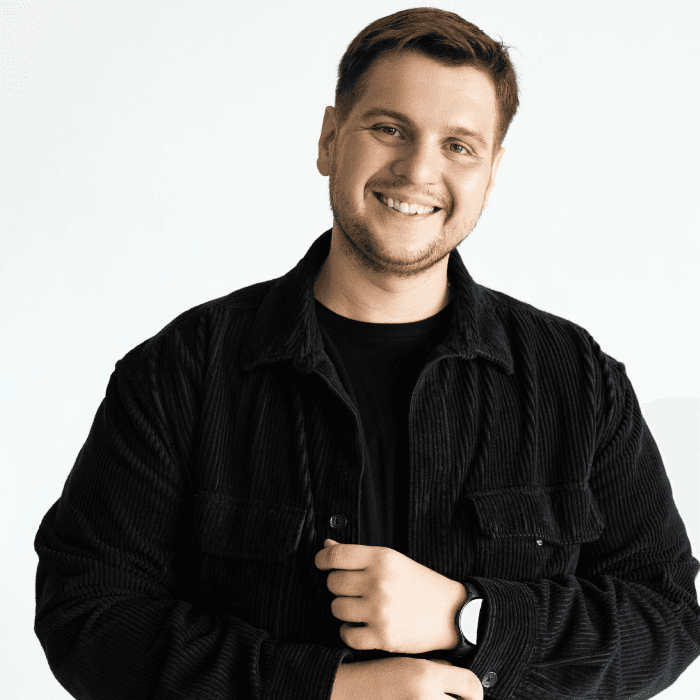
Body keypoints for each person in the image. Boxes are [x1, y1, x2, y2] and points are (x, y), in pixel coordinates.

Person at [34, 7, 700, 700]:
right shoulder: (182, 371)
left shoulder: (576, 379)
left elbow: (668, 615)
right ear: (330, 139)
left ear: (491, 172)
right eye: (389, 129)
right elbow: (86, 614)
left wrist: (467, 614)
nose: (418, 170)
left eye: (459, 146)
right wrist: (329, 689)